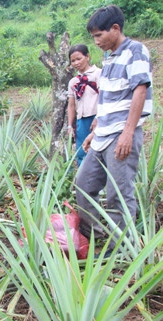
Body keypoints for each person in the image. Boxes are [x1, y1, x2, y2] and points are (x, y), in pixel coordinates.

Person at [76, 5, 153, 257]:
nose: (96, 41)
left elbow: (139, 90)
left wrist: (128, 133)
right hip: (103, 135)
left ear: (116, 29)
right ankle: (100, 235)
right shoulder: (109, 59)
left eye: (99, 35)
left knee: (118, 193)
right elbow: (107, 100)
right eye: (94, 37)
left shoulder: (135, 51)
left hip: (122, 134)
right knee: (83, 185)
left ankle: (121, 249)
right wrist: (93, 130)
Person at [66, 44, 101, 166]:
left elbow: (104, 97)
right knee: (81, 151)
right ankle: (83, 182)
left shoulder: (98, 74)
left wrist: (98, 118)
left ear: (87, 57)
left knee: (99, 150)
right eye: (73, 61)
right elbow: (71, 105)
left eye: (79, 59)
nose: (76, 63)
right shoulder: (73, 82)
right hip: (81, 121)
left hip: (97, 118)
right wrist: (70, 125)